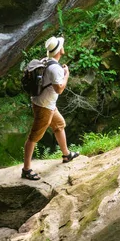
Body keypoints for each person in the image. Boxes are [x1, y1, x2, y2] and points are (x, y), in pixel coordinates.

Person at [21, 35, 79, 180]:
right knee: (34, 137)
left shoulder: (45, 61)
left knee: (59, 125)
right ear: (60, 51)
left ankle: (66, 155)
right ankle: (26, 169)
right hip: (44, 107)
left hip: (43, 103)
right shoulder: (56, 69)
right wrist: (66, 75)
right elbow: (59, 89)